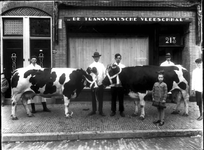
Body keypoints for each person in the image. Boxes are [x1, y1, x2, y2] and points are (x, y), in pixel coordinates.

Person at [88, 52, 106, 116]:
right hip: (93, 84)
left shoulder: (102, 65)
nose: (96, 58)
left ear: (99, 57)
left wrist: (104, 83)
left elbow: (104, 74)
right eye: (95, 57)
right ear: (93, 58)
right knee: (93, 97)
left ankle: (100, 111)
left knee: (100, 98)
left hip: (100, 84)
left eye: (97, 57)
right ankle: (94, 110)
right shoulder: (90, 66)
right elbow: (89, 75)